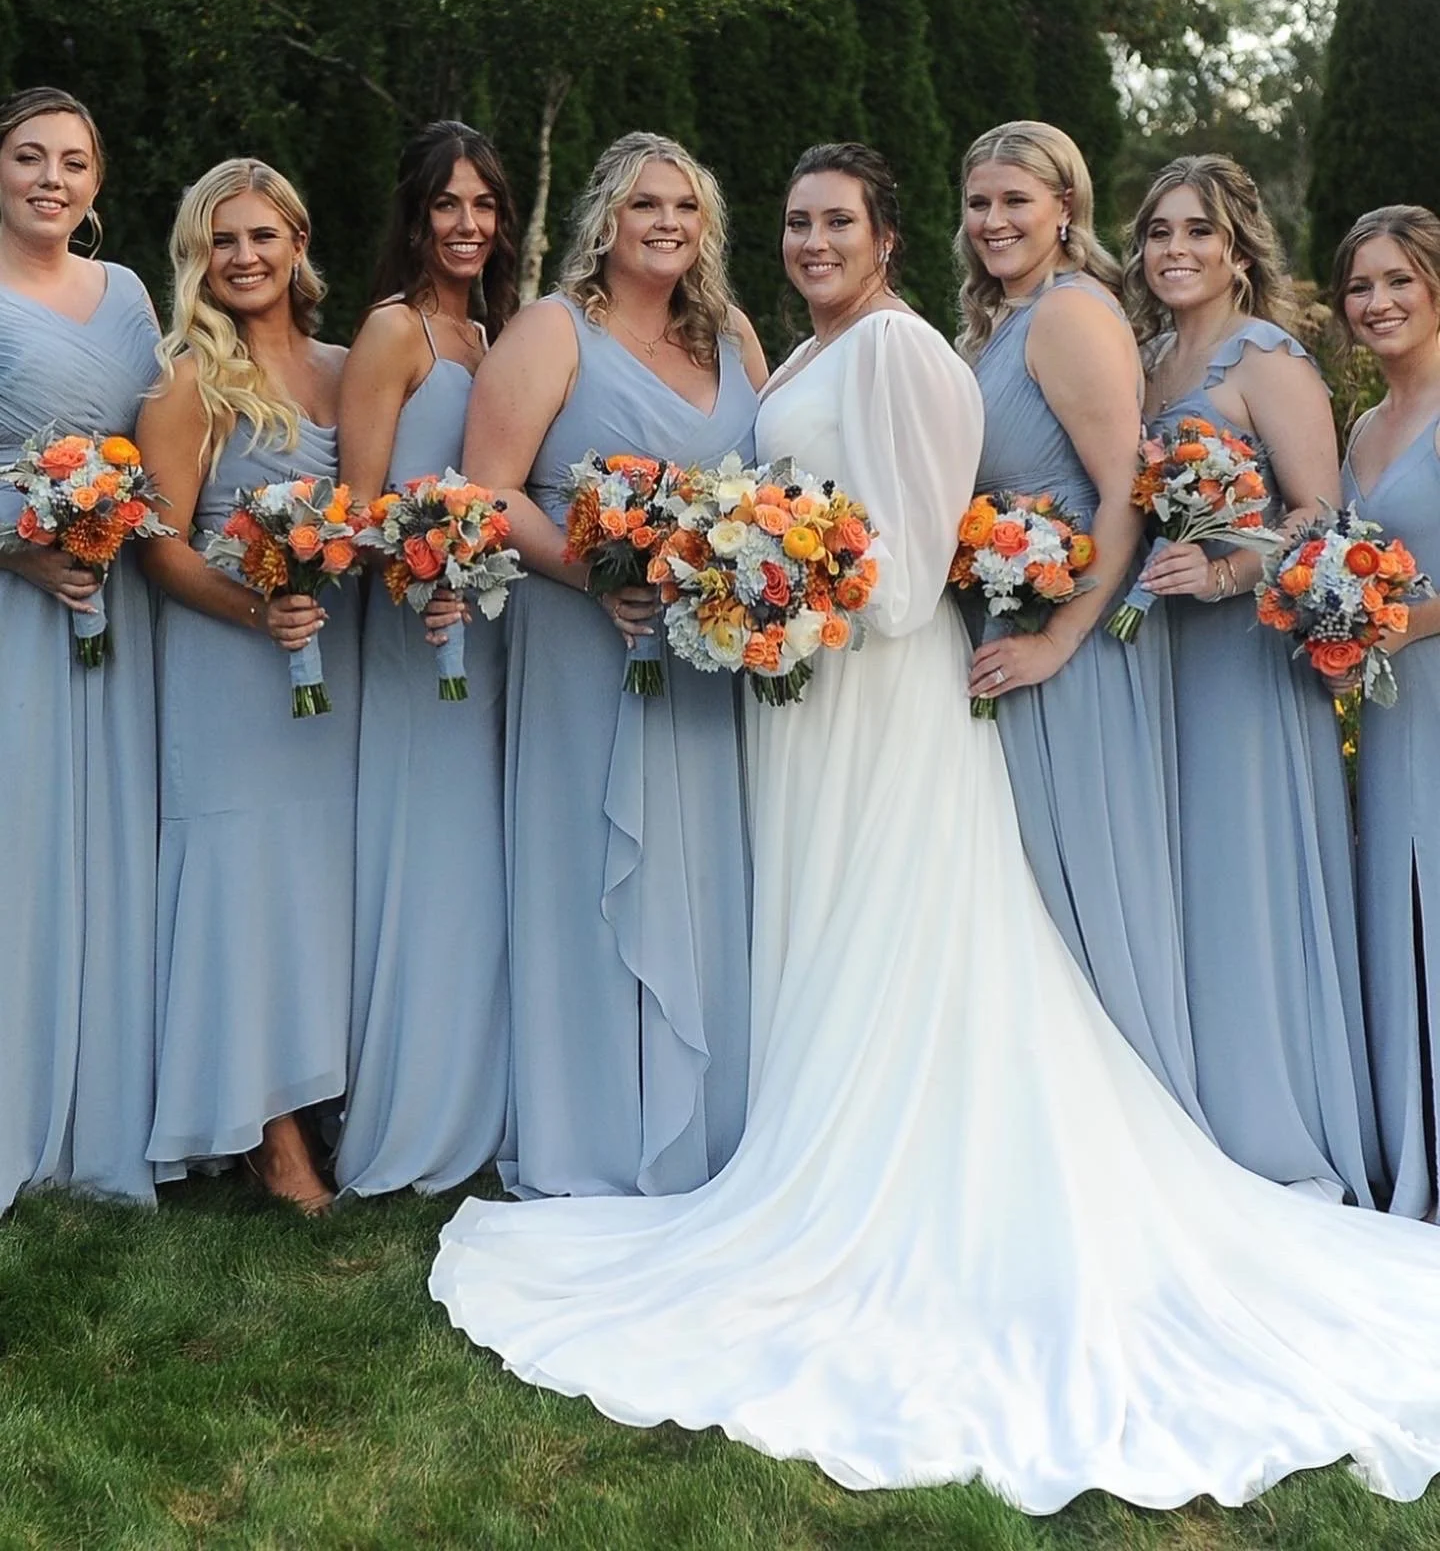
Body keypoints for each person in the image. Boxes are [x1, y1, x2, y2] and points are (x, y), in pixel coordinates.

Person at [430, 140, 1440, 1510]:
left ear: (886, 238)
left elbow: (905, 578)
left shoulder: (902, 351)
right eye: (793, 220)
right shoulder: (807, 349)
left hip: (870, 688)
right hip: (809, 684)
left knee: (892, 930)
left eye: (837, 220)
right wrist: (756, 574)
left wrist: (780, 588)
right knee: (837, 929)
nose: (812, 240)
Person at [462, 130, 767, 1199]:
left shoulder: (730, 334)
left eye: (686, 207)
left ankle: (704, 1124)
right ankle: (590, 1129)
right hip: (581, 640)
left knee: (705, 868)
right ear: (607, 217)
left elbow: (763, 494)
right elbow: (489, 492)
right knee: (589, 875)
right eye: (646, 205)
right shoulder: (552, 331)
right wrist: (597, 575)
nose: (668, 224)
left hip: (700, 659)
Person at [1127, 155, 1378, 1203]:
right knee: (1176, 881)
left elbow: (1323, 520)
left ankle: (1271, 1128)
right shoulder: (1143, 359)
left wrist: (1226, 571)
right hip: (1154, 661)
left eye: (1198, 232)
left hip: (1242, 658)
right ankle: (1183, 1120)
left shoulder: (1267, 358)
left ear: (1237, 249)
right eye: (1158, 233)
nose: (1175, 250)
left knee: (1244, 878)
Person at [957, 121, 1205, 1128]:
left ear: (1066, 209)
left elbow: (1125, 492)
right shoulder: (1001, 323)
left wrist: (1060, 639)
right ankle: (1054, 1124)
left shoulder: (1069, 315)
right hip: (1013, 627)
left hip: (1077, 645)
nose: (995, 220)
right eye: (978, 203)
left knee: (1086, 886)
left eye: (1016, 200)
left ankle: (1128, 1127)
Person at [137, 158, 357, 1215]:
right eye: (222, 241)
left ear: (298, 243)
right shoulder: (188, 383)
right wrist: (254, 610)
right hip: (229, 672)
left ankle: (318, 1097)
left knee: (313, 896)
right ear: (198, 259)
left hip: (328, 676)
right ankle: (271, 1144)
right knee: (240, 893)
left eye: (262, 235)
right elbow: (159, 549)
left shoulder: (343, 367)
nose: (244, 256)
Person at [333, 122, 518, 1199]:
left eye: (484, 206)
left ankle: (473, 1103)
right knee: (423, 861)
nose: (467, 225)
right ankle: (405, 1114)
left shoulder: (489, 341)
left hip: (481, 631)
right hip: (413, 634)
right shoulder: (394, 332)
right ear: (416, 214)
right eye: (448, 205)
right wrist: (421, 567)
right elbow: (357, 513)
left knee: (473, 867)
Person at [0, 86, 160, 1215]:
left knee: (112, 843)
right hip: (16, 606)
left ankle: (104, 1112)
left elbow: (160, 445)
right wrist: (22, 551)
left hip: (120, 607)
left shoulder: (131, 295)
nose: (52, 179)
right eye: (28, 158)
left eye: (73, 161)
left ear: (98, 184)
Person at [1337, 205, 1440, 1220]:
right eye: (1362, 287)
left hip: (1433, 678)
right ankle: (1415, 1149)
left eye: (1398, 281)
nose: (1378, 302)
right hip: (1389, 707)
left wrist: (1421, 619)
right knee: (1399, 919)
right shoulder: (1362, 427)